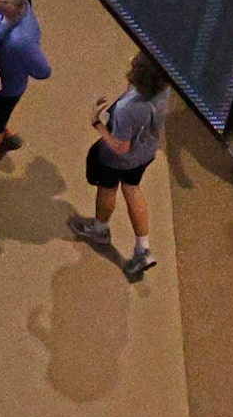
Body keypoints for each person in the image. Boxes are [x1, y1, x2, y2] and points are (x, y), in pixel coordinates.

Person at [69, 55, 172, 279]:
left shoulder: (128, 110)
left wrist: (98, 125)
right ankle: (143, 248)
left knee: (107, 188)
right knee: (132, 188)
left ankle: (99, 230)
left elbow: (120, 147)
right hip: (145, 153)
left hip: (118, 159)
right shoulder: (164, 92)